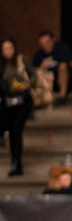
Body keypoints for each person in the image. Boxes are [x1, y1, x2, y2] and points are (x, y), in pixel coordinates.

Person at [0, 39, 34, 176]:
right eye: (5, 48)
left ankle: (17, 163)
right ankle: (15, 161)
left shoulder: (21, 60)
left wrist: (27, 84)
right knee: (12, 131)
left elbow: (34, 75)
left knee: (16, 128)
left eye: (10, 47)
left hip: (23, 99)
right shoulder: (1, 65)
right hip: (7, 101)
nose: (8, 51)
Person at [32, 30, 72, 106]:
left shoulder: (62, 48)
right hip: (46, 80)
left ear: (53, 39)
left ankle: (62, 97)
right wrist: (42, 68)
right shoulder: (38, 55)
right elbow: (34, 68)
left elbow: (69, 59)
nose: (46, 45)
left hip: (61, 78)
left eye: (48, 42)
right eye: (43, 43)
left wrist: (51, 58)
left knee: (63, 66)